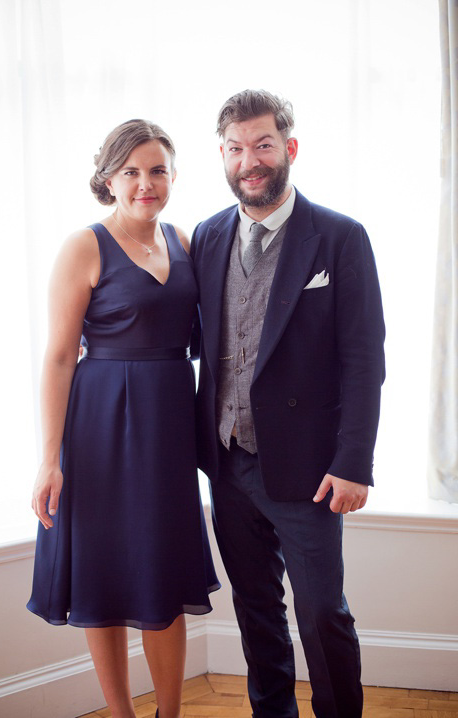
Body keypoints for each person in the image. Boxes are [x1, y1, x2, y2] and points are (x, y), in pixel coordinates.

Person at [190, 90, 385, 718]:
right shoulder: (208, 235)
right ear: (222, 156)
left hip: (310, 470)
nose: (250, 160)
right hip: (228, 463)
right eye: (236, 148)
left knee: (323, 612)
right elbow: (194, 338)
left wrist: (354, 461)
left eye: (263, 144)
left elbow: (364, 359)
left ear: (289, 149)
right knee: (256, 611)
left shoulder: (339, 237)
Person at [27, 119, 219, 718]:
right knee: (103, 572)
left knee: (162, 571)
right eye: (131, 171)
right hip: (99, 427)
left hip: (167, 424)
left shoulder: (185, 242)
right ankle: (122, 715)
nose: (145, 183)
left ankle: (170, 713)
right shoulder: (82, 246)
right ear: (108, 179)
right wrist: (48, 460)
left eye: (157, 169)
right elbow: (59, 356)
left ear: (173, 176)